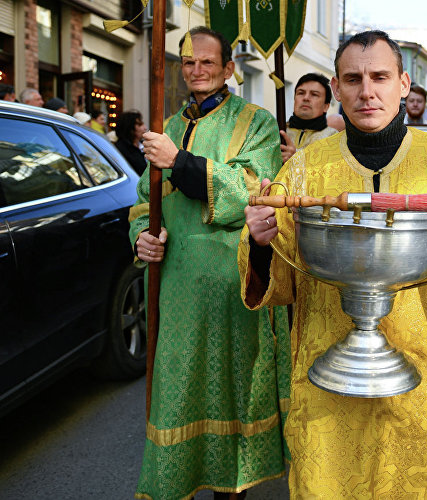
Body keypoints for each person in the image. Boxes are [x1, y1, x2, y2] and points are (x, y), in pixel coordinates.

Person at [239, 30, 427, 498]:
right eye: (353, 79)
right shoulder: (306, 167)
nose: (367, 91)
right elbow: (282, 273)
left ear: (404, 83)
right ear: (337, 87)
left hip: (425, 371)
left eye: (380, 76)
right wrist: (258, 240)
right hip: (328, 372)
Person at [130, 26, 286, 500]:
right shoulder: (169, 126)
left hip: (231, 284)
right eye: (188, 63)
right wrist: (143, 238)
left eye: (207, 62)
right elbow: (143, 201)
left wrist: (179, 162)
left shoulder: (255, 122)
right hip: (175, 286)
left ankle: (231, 491)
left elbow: (252, 192)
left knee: (231, 392)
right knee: (178, 394)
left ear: (228, 69)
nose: (197, 70)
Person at [279, 72, 338, 163]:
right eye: (301, 93)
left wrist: (296, 158)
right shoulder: (277, 131)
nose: (306, 98)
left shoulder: (333, 138)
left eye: (314, 94)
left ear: (326, 106)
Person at [114, 110, 147, 175]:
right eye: (140, 125)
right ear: (130, 128)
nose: (145, 128)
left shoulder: (144, 145)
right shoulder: (120, 149)